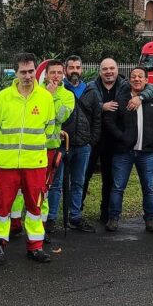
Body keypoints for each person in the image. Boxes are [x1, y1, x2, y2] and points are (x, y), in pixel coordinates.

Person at [0, 53, 55, 265]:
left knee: (35, 206)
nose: (27, 75)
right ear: (15, 72)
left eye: (31, 71)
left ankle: (35, 246)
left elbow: (49, 128)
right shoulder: (3, 97)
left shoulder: (45, 97)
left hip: (34, 163)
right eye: (23, 71)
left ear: (36, 71)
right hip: (7, 164)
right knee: (2, 205)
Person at [8, 59, 73, 239]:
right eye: (53, 72)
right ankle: (15, 223)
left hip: (49, 148)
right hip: (28, 149)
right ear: (45, 74)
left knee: (41, 189)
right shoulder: (34, 92)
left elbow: (60, 116)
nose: (56, 76)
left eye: (60, 73)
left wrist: (51, 96)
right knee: (19, 188)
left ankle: (40, 226)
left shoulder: (67, 95)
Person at [88, 58, 153, 224]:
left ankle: (106, 215)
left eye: (112, 68)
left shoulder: (125, 85)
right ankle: (75, 215)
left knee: (110, 180)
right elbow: (84, 105)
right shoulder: (91, 86)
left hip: (117, 142)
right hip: (95, 138)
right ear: (100, 71)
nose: (109, 71)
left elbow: (152, 88)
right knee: (85, 177)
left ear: (118, 70)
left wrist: (140, 98)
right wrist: (101, 106)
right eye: (105, 69)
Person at [103, 67, 153, 233]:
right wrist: (121, 137)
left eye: (140, 77)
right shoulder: (121, 98)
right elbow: (110, 121)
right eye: (134, 76)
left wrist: (152, 137)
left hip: (146, 153)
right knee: (118, 187)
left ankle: (150, 219)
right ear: (129, 80)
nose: (137, 79)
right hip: (123, 152)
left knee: (149, 188)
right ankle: (113, 218)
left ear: (146, 80)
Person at [51, 56, 100, 233]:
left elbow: (97, 118)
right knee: (56, 184)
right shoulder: (60, 90)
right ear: (65, 70)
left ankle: (75, 216)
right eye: (70, 67)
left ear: (82, 69)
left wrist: (91, 141)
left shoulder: (90, 90)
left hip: (83, 146)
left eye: (77, 67)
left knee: (78, 183)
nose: (74, 70)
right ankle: (51, 219)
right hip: (62, 145)